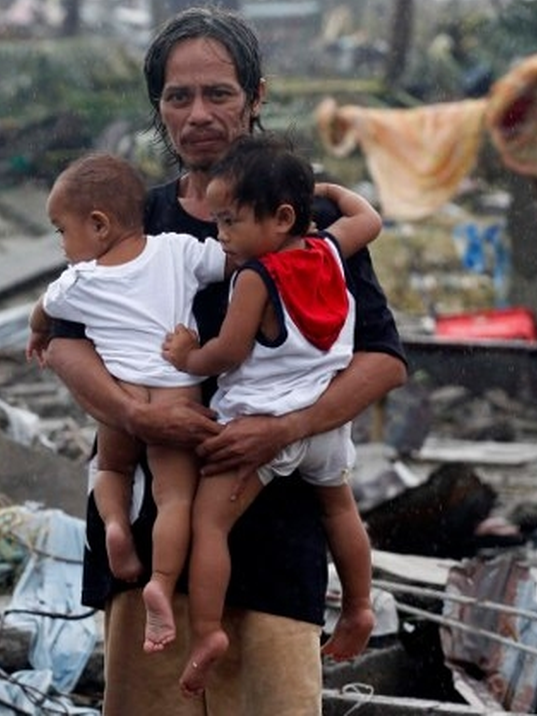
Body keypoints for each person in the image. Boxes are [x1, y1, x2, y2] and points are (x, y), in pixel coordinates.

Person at [39, 5, 407, 715]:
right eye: (179, 97)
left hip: (276, 531)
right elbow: (62, 338)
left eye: (219, 94)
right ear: (159, 109)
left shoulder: (300, 219)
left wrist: (284, 429)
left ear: (256, 97)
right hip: (150, 548)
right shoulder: (129, 222)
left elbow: (382, 360)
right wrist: (133, 416)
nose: (199, 113)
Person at [159, 133, 380, 695]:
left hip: (263, 424)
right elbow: (369, 218)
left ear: (281, 217)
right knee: (338, 511)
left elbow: (228, 351)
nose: (220, 235)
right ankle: (358, 606)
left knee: (210, 523)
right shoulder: (330, 249)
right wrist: (325, 190)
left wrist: (189, 354)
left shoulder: (257, 277)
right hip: (327, 422)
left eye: (230, 222)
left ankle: (207, 631)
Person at [25, 152, 229, 645]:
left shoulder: (80, 280)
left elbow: (44, 312)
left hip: (121, 391)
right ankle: (160, 584)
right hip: (176, 385)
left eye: (62, 230)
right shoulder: (178, 249)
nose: (62, 243)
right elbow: (231, 259)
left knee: (113, 470)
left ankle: (116, 526)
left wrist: (36, 334)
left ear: (97, 225)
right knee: (176, 495)